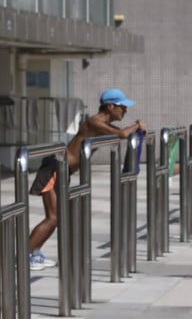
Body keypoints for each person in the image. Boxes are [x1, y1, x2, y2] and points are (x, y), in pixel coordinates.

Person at [27, 88, 147, 270]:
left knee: (56, 217)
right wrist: (138, 125)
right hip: (54, 168)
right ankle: (24, 256)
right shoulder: (94, 122)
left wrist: (136, 130)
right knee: (53, 217)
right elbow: (123, 134)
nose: (125, 111)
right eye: (122, 107)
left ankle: (34, 253)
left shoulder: (102, 124)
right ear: (110, 106)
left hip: (62, 170)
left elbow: (122, 133)